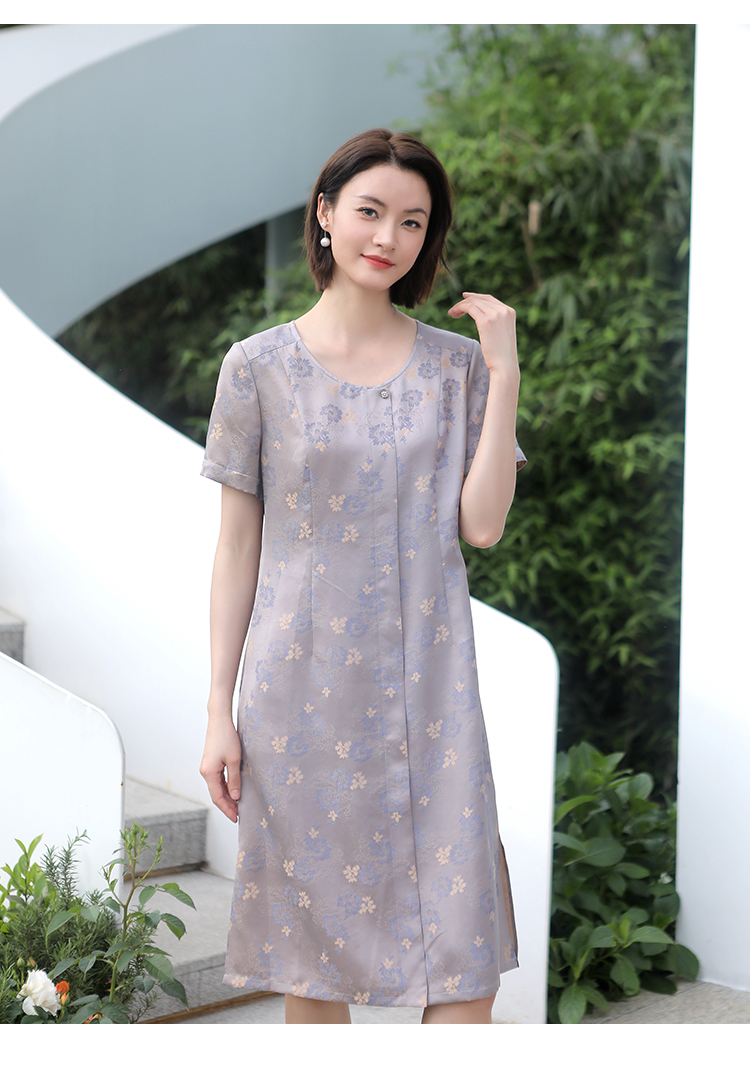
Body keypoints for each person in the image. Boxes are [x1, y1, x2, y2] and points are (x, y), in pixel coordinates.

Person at [199, 128, 526, 1025]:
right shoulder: (256, 368)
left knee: (463, 970)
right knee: (314, 971)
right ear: (325, 212)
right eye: (371, 211)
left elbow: (483, 525)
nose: (389, 237)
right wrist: (219, 710)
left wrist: (503, 375)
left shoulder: (458, 367)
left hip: (434, 697)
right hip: (300, 700)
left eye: (413, 221)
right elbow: (236, 550)